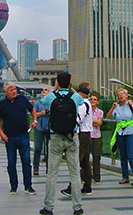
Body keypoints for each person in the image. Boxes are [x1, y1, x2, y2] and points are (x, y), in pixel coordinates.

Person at [39, 72, 85, 215]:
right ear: (70, 83)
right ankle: (77, 207)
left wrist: (55, 89)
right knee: (75, 173)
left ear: (57, 82)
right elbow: (82, 101)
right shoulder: (75, 97)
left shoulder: (52, 97)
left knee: (52, 173)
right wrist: (70, 89)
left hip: (56, 137)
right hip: (72, 137)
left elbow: (43, 102)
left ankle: (48, 207)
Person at [0, 81, 38, 195]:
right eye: (11, 90)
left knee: (26, 161)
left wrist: (35, 120)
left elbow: (32, 110)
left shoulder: (22, 99)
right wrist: (1, 133)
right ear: (5, 92)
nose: (14, 92)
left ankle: (28, 186)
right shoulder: (2, 104)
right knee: (11, 162)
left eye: (14, 89)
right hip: (9, 137)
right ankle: (13, 186)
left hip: (23, 135)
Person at [61, 83, 93, 197]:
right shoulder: (86, 103)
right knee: (85, 162)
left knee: (76, 161)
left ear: (82, 94)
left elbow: (79, 119)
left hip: (82, 134)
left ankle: (72, 187)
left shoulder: (83, 104)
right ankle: (87, 186)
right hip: (86, 134)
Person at [108, 88, 133, 186]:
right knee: (123, 155)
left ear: (127, 95)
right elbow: (108, 117)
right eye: (119, 94)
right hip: (120, 132)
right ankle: (125, 176)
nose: (121, 95)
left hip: (130, 132)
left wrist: (132, 104)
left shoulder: (132, 105)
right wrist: (112, 108)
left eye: (122, 94)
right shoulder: (117, 107)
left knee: (131, 154)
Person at [33, 86, 52, 176]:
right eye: (42, 90)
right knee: (38, 147)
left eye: (45, 90)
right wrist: (41, 114)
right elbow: (33, 114)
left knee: (49, 149)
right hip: (40, 128)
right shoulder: (38, 103)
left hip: (49, 127)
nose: (43, 92)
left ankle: (49, 168)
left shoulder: (52, 102)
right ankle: (36, 167)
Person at [89, 93, 104, 183]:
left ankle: (96, 177)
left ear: (98, 102)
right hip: (87, 135)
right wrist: (94, 122)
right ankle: (84, 176)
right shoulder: (87, 110)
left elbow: (99, 123)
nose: (92, 101)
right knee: (85, 157)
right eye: (91, 99)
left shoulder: (100, 112)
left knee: (96, 157)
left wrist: (92, 122)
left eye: (94, 99)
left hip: (96, 136)